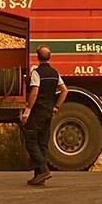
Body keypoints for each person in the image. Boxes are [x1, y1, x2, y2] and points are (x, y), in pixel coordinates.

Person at [21, 45, 68, 186]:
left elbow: (34, 92)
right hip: (48, 112)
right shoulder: (55, 73)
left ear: (37, 57)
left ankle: (42, 170)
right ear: (49, 57)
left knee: (30, 140)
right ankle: (38, 177)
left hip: (38, 112)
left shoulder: (37, 73)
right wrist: (56, 107)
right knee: (42, 142)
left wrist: (28, 110)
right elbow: (64, 91)